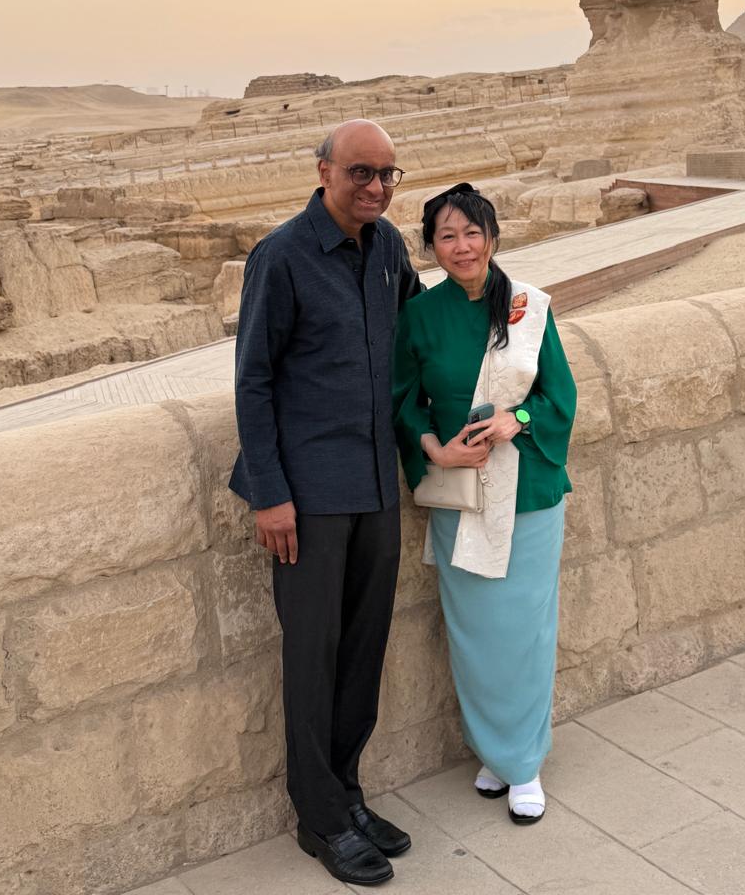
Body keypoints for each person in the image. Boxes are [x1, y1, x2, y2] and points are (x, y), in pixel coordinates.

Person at [230, 119, 421, 886]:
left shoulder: (390, 248)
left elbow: (420, 331)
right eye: (360, 172)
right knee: (313, 657)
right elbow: (253, 381)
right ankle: (319, 821)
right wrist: (270, 495)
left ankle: (347, 796)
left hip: (376, 486)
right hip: (307, 499)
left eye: (387, 173)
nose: (375, 186)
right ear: (324, 173)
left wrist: (498, 302)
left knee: (363, 651)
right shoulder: (280, 257)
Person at [392, 182, 576, 824]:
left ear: (492, 237)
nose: (462, 246)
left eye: (473, 232)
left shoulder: (528, 308)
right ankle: (493, 752)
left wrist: (515, 419)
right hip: (460, 496)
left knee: (525, 631)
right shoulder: (419, 316)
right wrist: (435, 451)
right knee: (474, 633)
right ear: (431, 248)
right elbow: (403, 401)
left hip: (529, 494)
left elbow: (560, 397)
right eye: (447, 235)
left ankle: (524, 762)